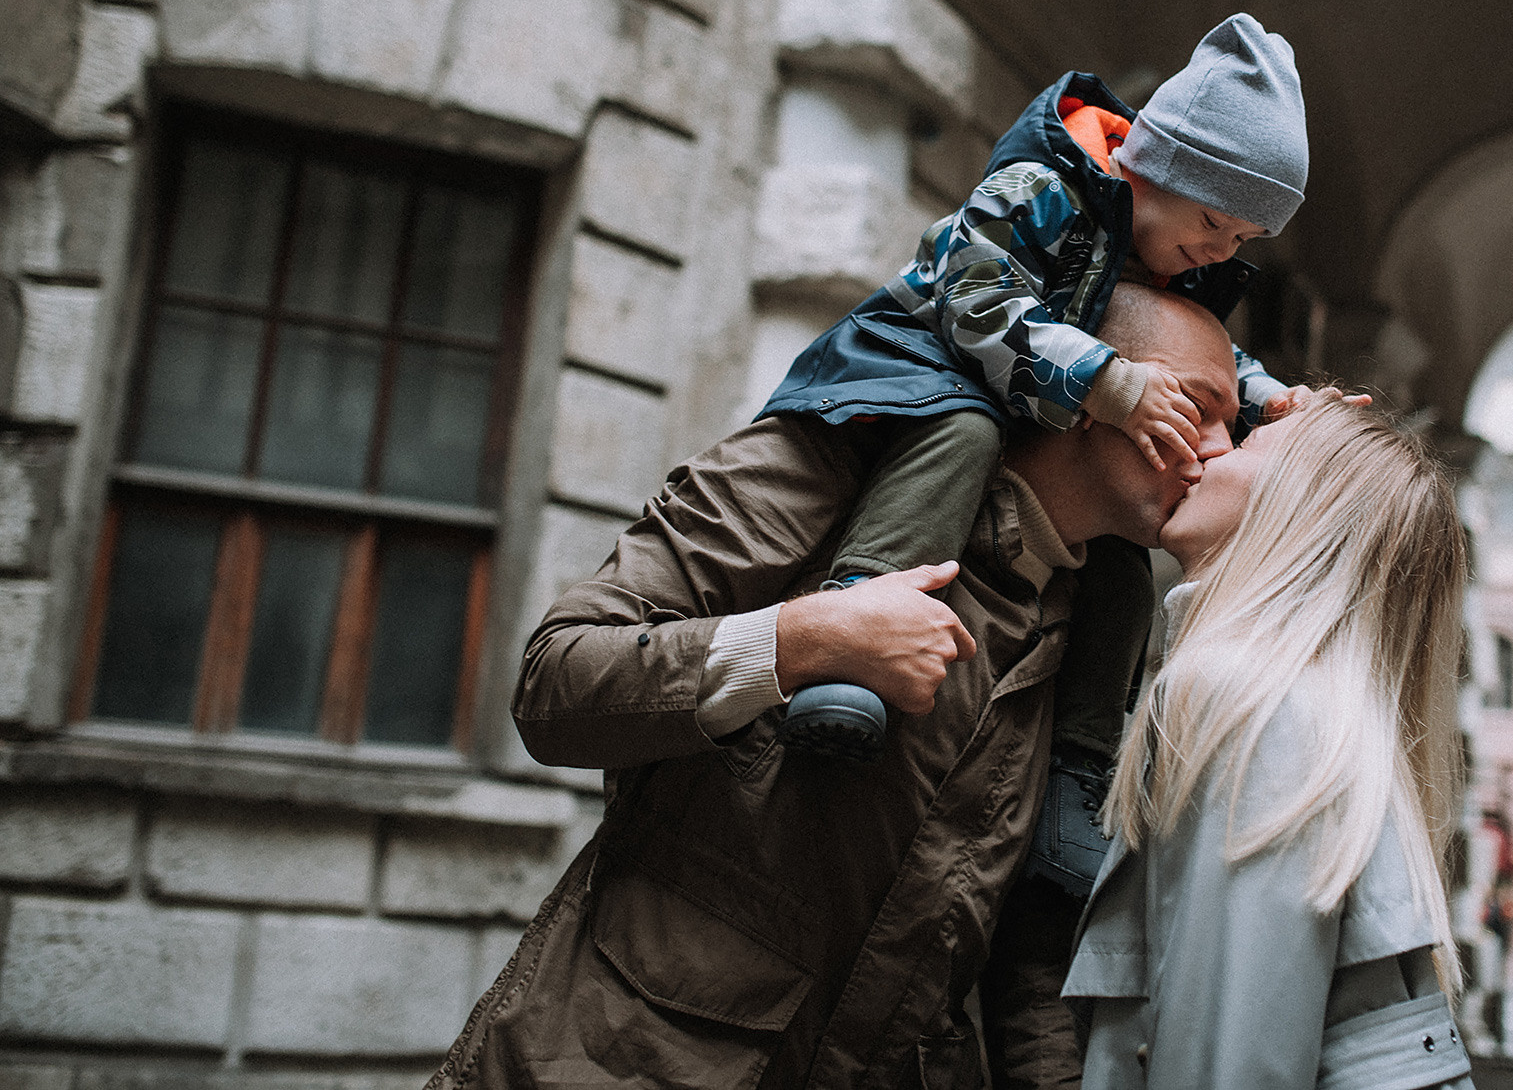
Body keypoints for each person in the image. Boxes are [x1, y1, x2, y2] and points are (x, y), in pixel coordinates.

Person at [427, 285, 1240, 1090]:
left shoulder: (1096, 629)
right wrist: (805, 638)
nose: (1218, 452)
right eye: (1196, 407)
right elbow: (556, 678)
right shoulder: (843, 456)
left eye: (1231, 428)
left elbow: (1029, 952)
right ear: (1089, 390)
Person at [759, 13, 1313, 781]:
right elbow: (976, 302)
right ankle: (854, 634)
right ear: (1156, 163)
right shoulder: (1041, 189)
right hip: (920, 358)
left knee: (1125, 559)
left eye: (1244, 240)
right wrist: (1112, 383)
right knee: (960, 434)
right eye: (1216, 220)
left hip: (1027, 384)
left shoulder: (1163, 249)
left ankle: (1082, 761)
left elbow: (1204, 353)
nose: (1221, 251)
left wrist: (1272, 400)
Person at [1064, 395, 1474, 1090]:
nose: (1210, 447)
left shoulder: (1247, 700)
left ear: (1299, 507)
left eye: (1249, 442)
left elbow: (1224, 1065)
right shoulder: (1307, 709)